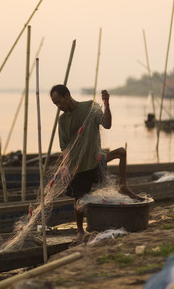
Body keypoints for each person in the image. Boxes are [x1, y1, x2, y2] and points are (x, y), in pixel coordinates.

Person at [50, 84, 141, 242]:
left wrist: (106, 104)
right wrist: (65, 165)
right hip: (78, 166)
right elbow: (65, 148)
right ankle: (80, 231)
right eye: (55, 104)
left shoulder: (89, 107)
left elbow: (107, 124)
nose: (58, 106)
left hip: (97, 160)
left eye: (59, 101)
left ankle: (123, 186)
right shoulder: (63, 121)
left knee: (121, 152)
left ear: (67, 95)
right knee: (78, 201)